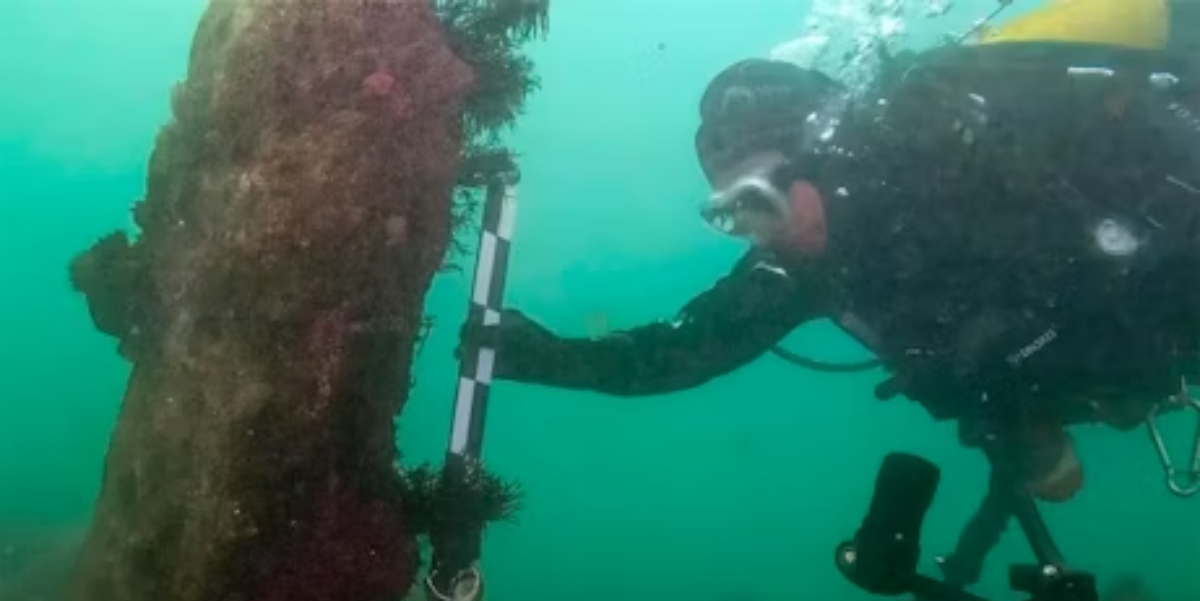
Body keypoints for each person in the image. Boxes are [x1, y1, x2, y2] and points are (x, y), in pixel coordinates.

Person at [460, 0, 1200, 507]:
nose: (756, 231)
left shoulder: (962, 140)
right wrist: (557, 359)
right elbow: (687, 351)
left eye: (757, 200)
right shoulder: (807, 269)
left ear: (819, 156)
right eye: (728, 215)